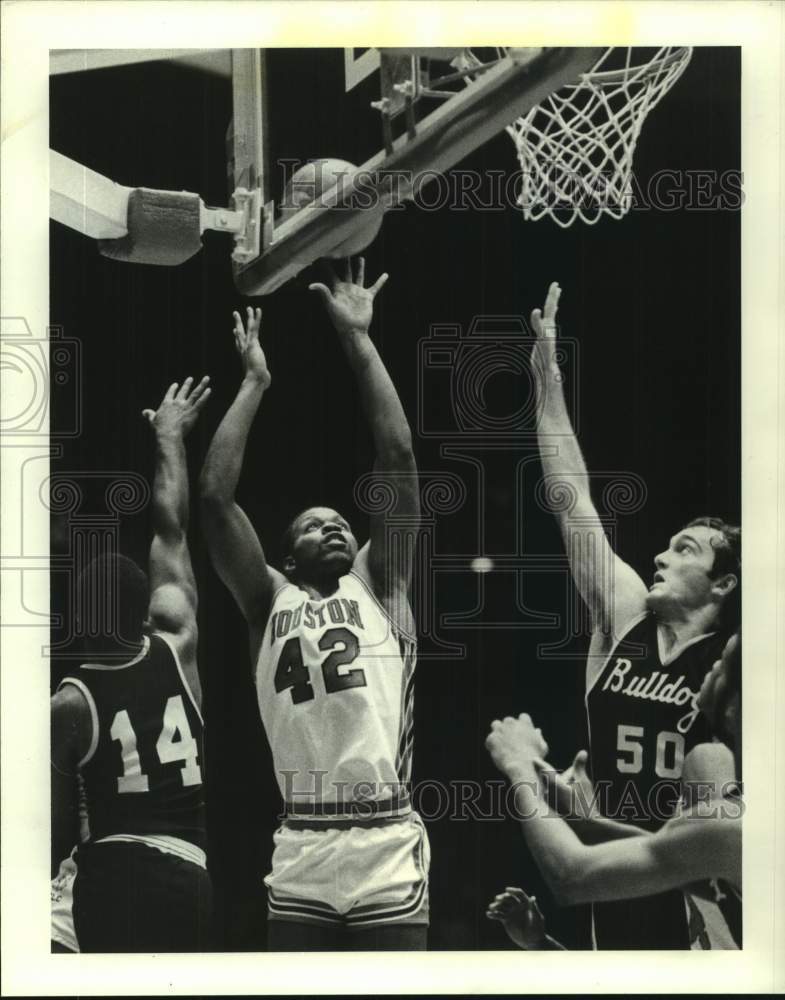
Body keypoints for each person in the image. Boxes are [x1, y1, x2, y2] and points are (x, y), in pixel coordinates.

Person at [199, 258, 428, 951]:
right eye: (311, 524)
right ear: (288, 555)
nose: (332, 526)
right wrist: (254, 383)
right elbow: (213, 499)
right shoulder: (267, 599)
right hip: (300, 839)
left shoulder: (378, 584)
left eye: (341, 523)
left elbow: (396, 454)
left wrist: (358, 340)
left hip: (384, 838)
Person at [529, 281, 740, 948]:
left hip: (708, 877)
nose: (660, 554)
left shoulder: (738, 662)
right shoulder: (623, 618)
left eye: (685, 550)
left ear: (724, 583)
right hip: (614, 868)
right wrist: (546, 378)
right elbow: (571, 501)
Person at [50, 377, 212, 952]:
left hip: (113, 870)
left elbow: (56, 823)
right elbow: (173, 527)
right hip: (191, 872)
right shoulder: (177, 642)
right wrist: (169, 436)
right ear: (146, 615)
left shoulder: (68, 704)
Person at [485, 631, 742, 951]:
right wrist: (585, 819)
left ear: (737, 707)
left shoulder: (735, 828)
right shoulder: (727, 831)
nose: (712, 665)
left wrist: (518, 764)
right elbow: (660, 849)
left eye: (725, 663)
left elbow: (571, 875)